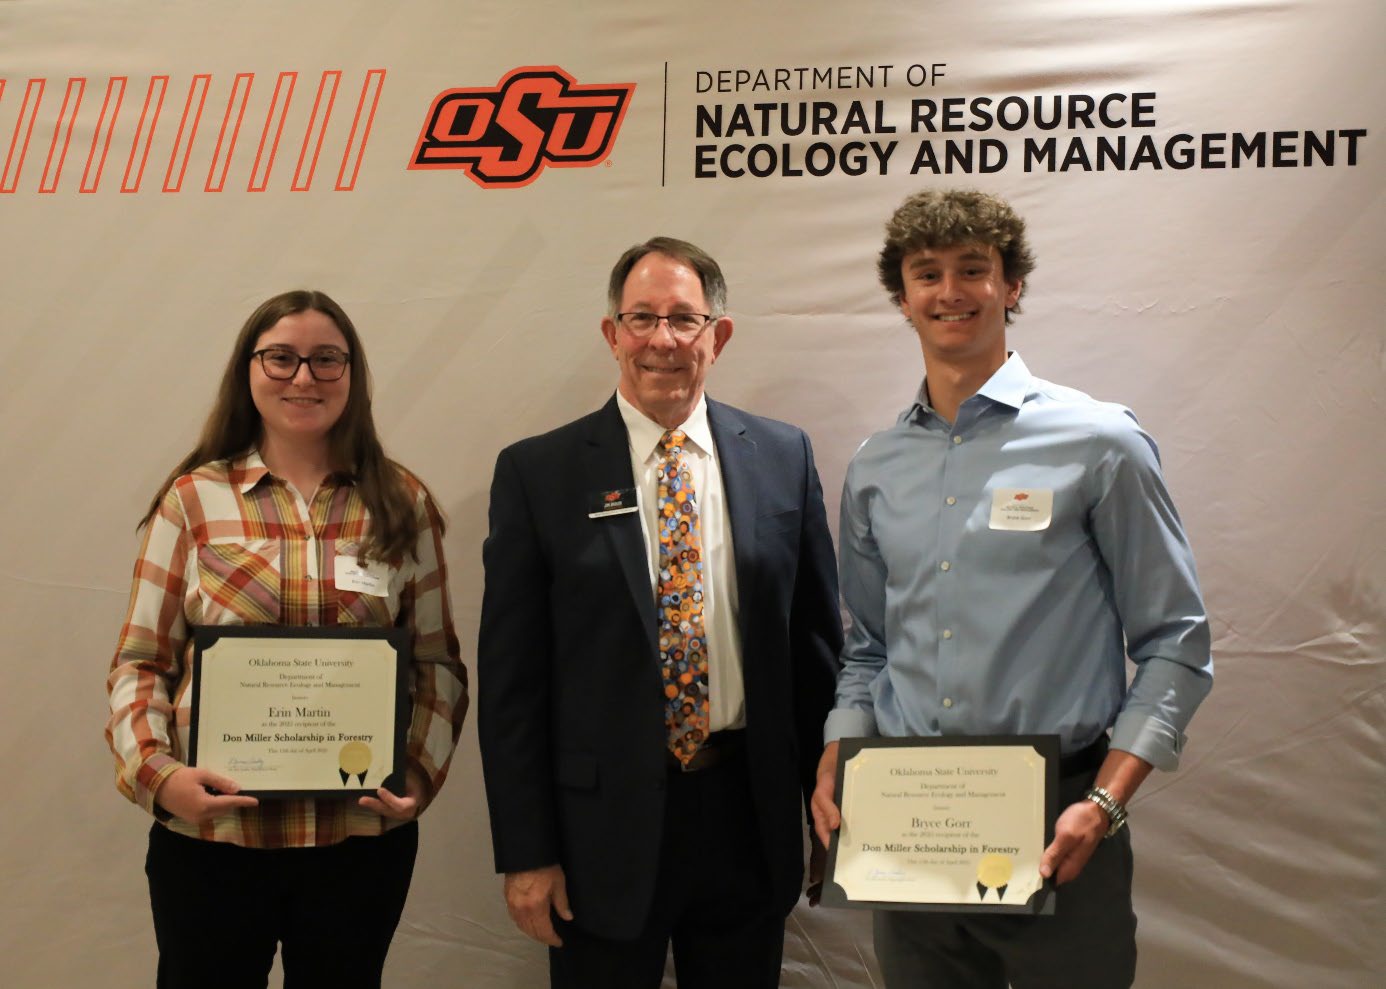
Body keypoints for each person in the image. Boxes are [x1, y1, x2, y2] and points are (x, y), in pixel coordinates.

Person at [810, 190, 1214, 989]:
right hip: (908, 824)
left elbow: (1176, 643)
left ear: (1012, 285)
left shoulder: (1100, 442)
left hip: (1061, 822)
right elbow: (869, 646)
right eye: (927, 274)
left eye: (973, 269)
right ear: (902, 297)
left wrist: (1105, 803)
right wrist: (838, 751)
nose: (950, 292)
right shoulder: (876, 464)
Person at [478, 237, 842, 988]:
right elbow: (513, 686)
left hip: (748, 814)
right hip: (597, 833)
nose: (662, 340)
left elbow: (814, 651)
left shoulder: (783, 457)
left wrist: (825, 803)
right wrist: (526, 851)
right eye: (641, 318)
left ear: (719, 335)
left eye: (684, 318)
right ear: (611, 334)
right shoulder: (539, 473)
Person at [105, 290, 469, 988]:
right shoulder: (193, 500)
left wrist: (417, 777)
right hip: (212, 842)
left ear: (352, 374)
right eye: (281, 358)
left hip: (357, 843)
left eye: (327, 359)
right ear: (248, 369)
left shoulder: (401, 501)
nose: (304, 377)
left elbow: (436, 664)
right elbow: (140, 662)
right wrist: (160, 776)